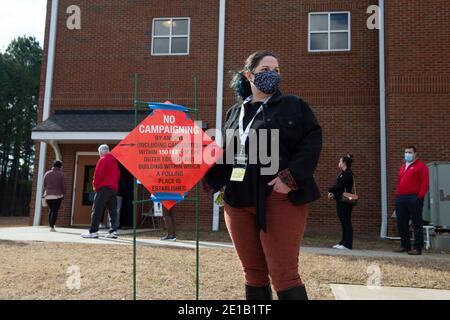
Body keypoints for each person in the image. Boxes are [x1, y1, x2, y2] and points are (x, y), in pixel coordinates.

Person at [204, 50, 322, 300]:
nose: (273, 75)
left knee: (284, 274)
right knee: (253, 274)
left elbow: (312, 142)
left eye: (277, 71)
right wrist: (212, 178)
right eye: (266, 70)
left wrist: (289, 180)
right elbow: (227, 152)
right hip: (237, 201)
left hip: (278, 199)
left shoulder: (294, 105)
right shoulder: (234, 112)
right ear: (249, 75)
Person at [394, 146, 429, 255]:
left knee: (417, 223)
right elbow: (400, 181)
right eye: (405, 152)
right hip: (401, 198)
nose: (407, 154)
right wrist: (397, 195)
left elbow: (425, 183)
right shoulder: (403, 165)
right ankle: (405, 246)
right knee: (402, 222)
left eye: (409, 152)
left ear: (415, 154)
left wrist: (419, 197)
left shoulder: (421, 166)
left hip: (414, 198)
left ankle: (418, 248)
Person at [82, 145, 120, 239]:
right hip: (113, 189)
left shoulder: (103, 160)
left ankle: (93, 231)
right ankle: (113, 231)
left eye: (99, 153)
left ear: (101, 152)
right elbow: (118, 175)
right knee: (113, 211)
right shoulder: (114, 162)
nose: (99, 154)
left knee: (97, 210)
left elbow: (98, 174)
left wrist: (95, 186)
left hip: (103, 188)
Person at [328, 154, 355, 250]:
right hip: (340, 200)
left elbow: (340, 186)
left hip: (346, 201)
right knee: (343, 222)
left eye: (340, 161)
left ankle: (348, 244)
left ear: (344, 163)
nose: (338, 163)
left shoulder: (348, 174)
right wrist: (333, 194)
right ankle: (343, 242)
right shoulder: (342, 173)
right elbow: (339, 187)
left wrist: (330, 190)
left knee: (346, 222)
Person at [43, 160, 65, 231]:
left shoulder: (47, 173)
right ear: (60, 166)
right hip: (57, 195)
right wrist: (64, 193)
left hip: (48, 195)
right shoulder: (61, 174)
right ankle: (52, 227)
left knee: (51, 210)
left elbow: (44, 184)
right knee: (55, 210)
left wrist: (46, 192)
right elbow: (63, 186)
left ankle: (51, 226)